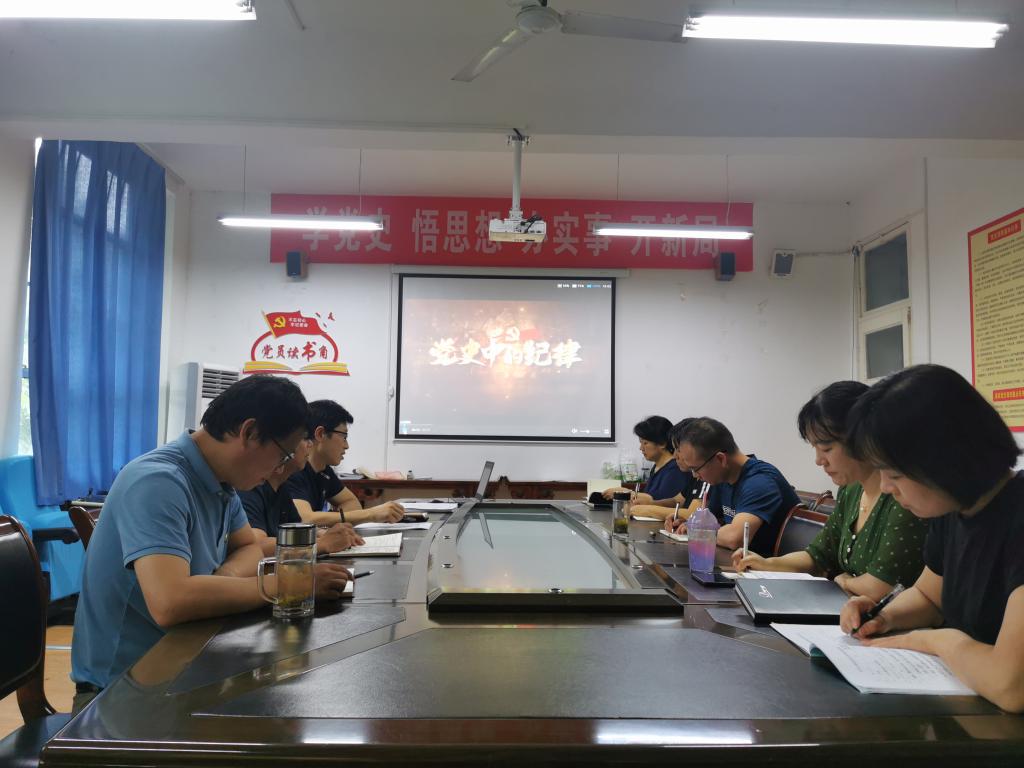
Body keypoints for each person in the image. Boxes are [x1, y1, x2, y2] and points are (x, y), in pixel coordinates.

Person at [71, 376, 352, 700]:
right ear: (250, 433)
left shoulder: (221, 482)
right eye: (283, 456)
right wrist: (290, 584)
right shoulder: (158, 482)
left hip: (188, 661)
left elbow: (250, 547)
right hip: (124, 691)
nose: (281, 468)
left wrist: (223, 579)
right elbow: (170, 602)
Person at [837, 364, 1024, 713]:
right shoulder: (954, 509)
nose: (886, 488)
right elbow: (928, 596)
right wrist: (884, 617)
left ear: (944, 460)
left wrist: (936, 641)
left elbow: (1011, 685)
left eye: (894, 474)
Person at [731, 381, 926, 600]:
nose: (819, 460)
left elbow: (881, 586)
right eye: (815, 448)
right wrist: (766, 564)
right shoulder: (851, 490)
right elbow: (819, 555)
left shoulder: (904, 498)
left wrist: (844, 581)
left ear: (862, 438)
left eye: (826, 448)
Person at [664, 417, 799, 556]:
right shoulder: (723, 478)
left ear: (720, 459)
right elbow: (711, 522)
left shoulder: (760, 482)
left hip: (767, 565)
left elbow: (734, 538)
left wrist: (695, 530)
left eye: (695, 469)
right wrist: (687, 524)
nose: (695, 475)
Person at [239, 426, 364, 556]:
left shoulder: (281, 488)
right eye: (305, 439)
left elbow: (297, 530)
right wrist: (321, 544)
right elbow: (257, 545)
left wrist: (326, 534)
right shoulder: (250, 487)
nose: (310, 445)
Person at [285, 400, 404, 525]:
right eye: (344, 437)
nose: (347, 446)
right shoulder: (294, 470)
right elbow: (304, 519)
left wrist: (332, 524)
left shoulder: (324, 471)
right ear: (320, 434)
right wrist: (371, 514)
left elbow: (352, 503)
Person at [604, 416, 702, 520]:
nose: (641, 448)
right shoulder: (659, 468)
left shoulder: (677, 470)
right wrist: (648, 503)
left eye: (645, 443)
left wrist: (647, 508)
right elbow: (676, 501)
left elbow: (693, 514)